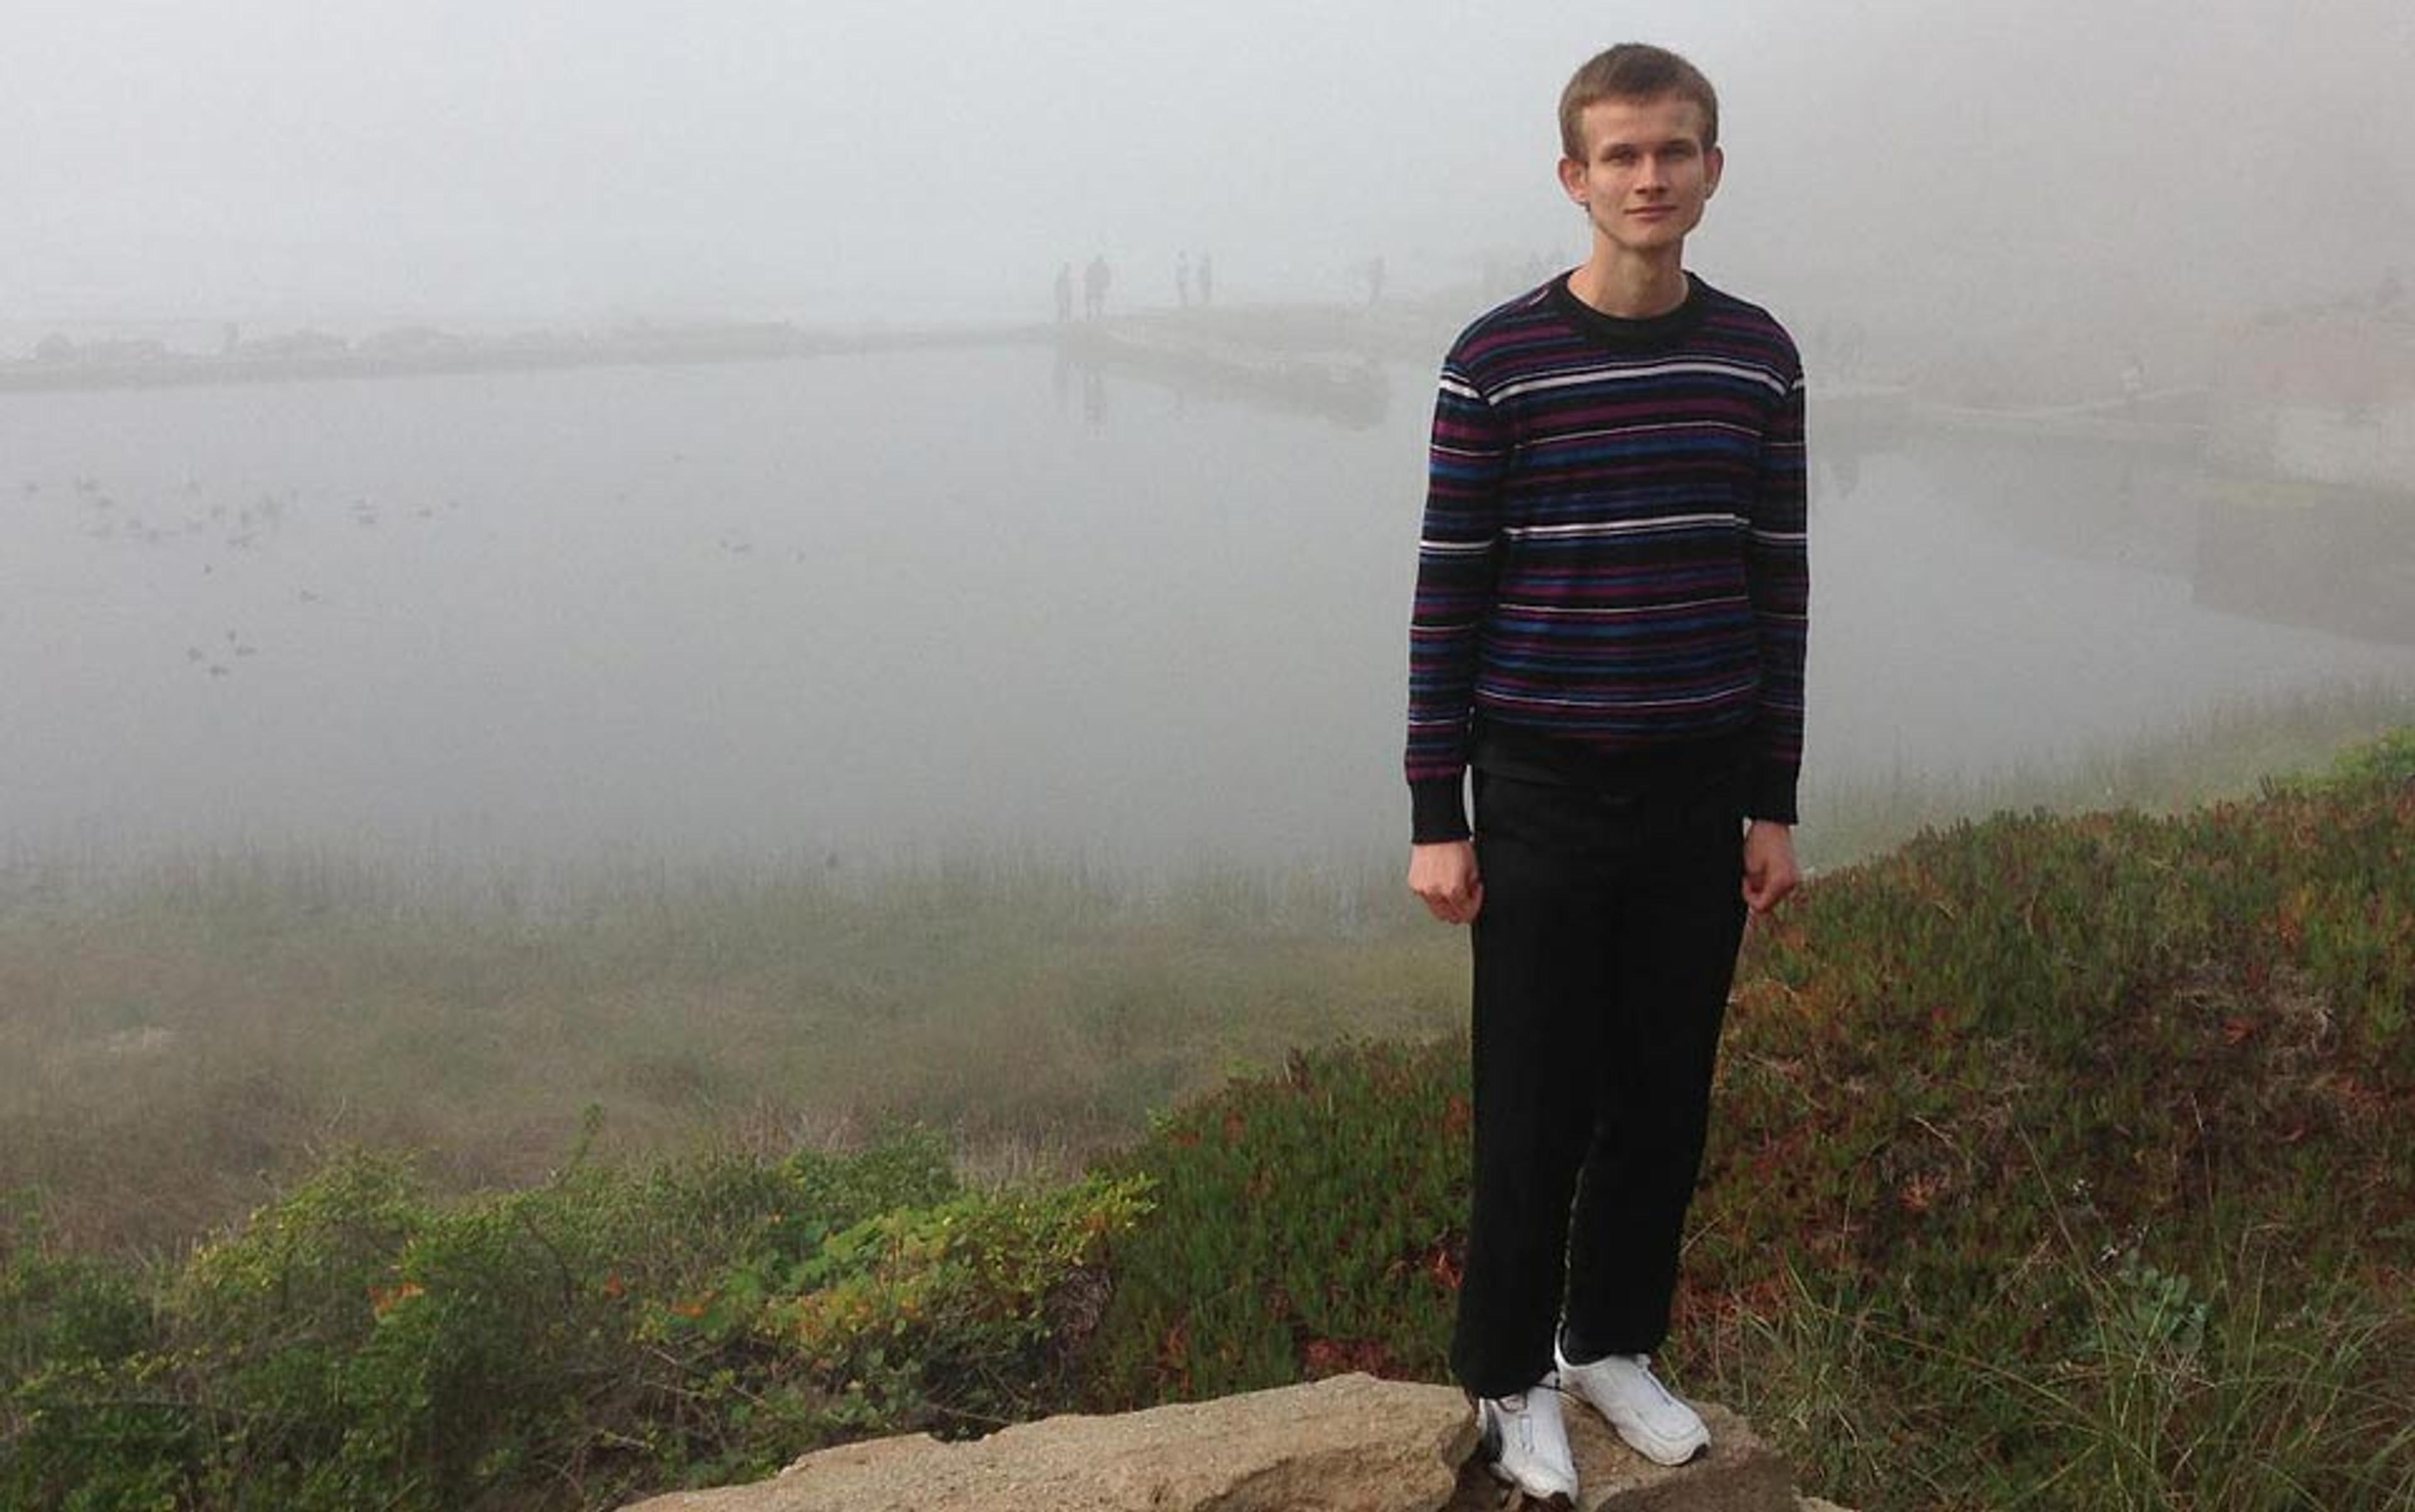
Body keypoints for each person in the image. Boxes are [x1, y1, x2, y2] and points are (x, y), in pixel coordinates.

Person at [1402, 42, 1807, 1505]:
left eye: (1676, 150)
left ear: (1711, 168)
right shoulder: (1496, 359)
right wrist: (1434, 813)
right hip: (1545, 786)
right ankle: (1510, 1374)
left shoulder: (1757, 352)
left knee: (1664, 1090)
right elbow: (1448, 590)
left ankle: (1610, 1338)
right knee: (1534, 1098)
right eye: (1622, 155)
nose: (1651, 176)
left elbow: (1780, 583)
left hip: (1701, 784)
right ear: (1575, 177)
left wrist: (1774, 799)